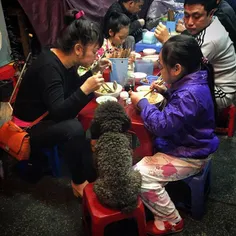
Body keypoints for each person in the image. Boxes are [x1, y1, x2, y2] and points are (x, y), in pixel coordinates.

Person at [12, 9, 111, 197]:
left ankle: (90, 173)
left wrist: (93, 71)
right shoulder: (49, 66)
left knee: (78, 122)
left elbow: (70, 89)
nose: (96, 55)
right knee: (73, 127)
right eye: (94, 51)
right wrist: (86, 89)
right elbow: (59, 111)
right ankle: (78, 183)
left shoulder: (65, 60)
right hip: (29, 128)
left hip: (46, 114)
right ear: (78, 49)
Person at [129, 34, 219, 235]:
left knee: (138, 175)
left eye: (161, 66)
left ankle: (171, 220)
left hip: (191, 154)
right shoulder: (194, 81)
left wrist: (142, 103)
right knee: (146, 154)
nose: (159, 71)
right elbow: (184, 109)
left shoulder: (189, 94)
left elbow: (161, 125)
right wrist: (167, 92)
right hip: (193, 144)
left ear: (177, 69)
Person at [155, 0, 236, 110]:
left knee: (173, 94)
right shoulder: (210, 23)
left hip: (221, 93)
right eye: (186, 15)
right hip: (208, 79)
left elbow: (184, 68)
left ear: (211, 13)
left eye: (196, 16)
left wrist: (166, 41)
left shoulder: (211, 39)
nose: (189, 22)